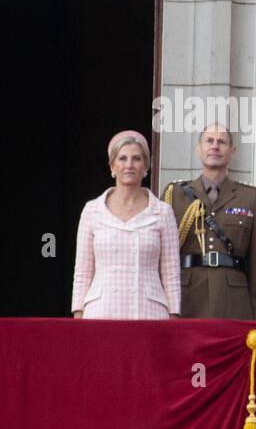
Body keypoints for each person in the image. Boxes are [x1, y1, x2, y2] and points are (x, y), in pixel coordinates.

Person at [71, 130, 181, 320]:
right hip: (101, 311)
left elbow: (171, 272)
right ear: (112, 165)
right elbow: (83, 271)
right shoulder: (92, 210)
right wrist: (78, 313)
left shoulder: (162, 212)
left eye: (136, 159)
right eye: (122, 158)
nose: (129, 165)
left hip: (149, 312)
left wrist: (174, 315)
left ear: (146, 166)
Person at [163, 123, 256, 320]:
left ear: (232, 151)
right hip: (187, 298)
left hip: (233, 301)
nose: (215, 146)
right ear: (198, 149)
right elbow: (163, 259)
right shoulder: (174, 195)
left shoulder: (250, 198)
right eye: (209, 141)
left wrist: (254, 316)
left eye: (222, 142)